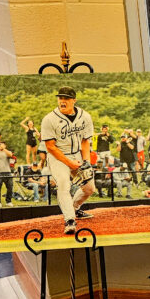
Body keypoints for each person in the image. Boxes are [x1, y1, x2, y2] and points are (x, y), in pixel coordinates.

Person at [41, 87, 97, 234]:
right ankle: (69, 220)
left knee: (89, 189)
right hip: (57, 157)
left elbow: (85, 141)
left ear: (74, 100)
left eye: (66, 98)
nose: (62, 101)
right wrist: (69, 163)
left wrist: (86, 161)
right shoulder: (49, 119)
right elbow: (50, 147)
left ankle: (74, 208)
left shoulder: (85, 116)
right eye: (60, 98)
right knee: (63, 185)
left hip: (77, 154)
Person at [0, 141, 16, 207]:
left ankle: (8, 201)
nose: (0, 146)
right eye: (0, 145)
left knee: (10, 187)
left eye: (2, 145)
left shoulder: (7, 152)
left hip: (7, 172)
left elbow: (10, 155)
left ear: (5, 146)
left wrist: (3, 148)